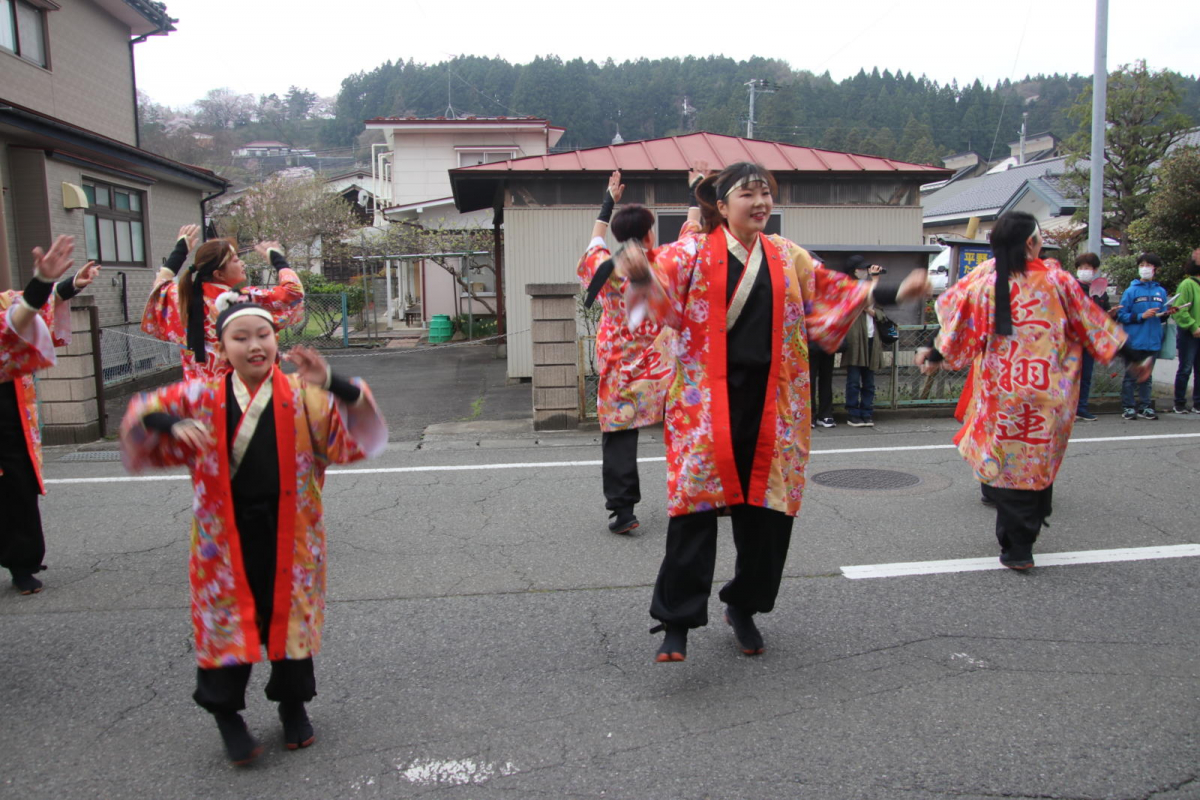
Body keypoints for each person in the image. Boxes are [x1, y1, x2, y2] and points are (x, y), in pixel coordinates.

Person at [616, 162, 927, 661]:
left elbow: (835, 289)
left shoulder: (787, 255)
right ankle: (675, 621)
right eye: (747, 194)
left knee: (769, 516)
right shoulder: (692, 251)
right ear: (721, 205)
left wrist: (889, 291)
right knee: (693, 513)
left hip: (774, 405)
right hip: (707, 406)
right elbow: (653, 292)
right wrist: (637, 272)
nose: (760, 202)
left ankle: (743, 604)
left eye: (765, 193)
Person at [120, 298, 386, 765]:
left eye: (262, 335)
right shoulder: (201, 396)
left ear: (275, 339)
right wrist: (173, 422)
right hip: (223, 538)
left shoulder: (304, 394)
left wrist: (333, 383)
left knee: (291, 619)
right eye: (239, 338)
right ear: (222, 347)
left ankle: (292, 704)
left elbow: (357, 433)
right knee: (225, 625)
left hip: (292, 530)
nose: (254, 345)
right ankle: (227, 716)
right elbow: (142, 410)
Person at [917, 211, 1146, 570]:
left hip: (1003, 392)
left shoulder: (985, 283)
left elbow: (957, 324)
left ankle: (1015, 545)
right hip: (1049, 393)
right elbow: (1093, 323)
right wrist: (1131, 357)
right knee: (1037, 461)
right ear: (1030, 243)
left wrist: (934, 354)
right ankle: (1024, 538)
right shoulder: (1057, 281)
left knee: (1008, 460)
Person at [577, 168, 702, 534]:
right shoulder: (666, 260)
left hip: (620, 367)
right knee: (684, 427)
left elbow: (593, 241)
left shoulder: (604, 265)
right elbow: (693, 235)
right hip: (665, 366)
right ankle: (693, 497)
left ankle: (622, 512)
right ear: (650, 233)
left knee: (618, 434)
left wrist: (608, 202)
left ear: (618, 235)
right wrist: (694, 191)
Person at [1, 236, 98, 595]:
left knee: (18, 489)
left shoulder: (5, 304)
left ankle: (22, 564)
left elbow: (21, 315)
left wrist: (63, 284)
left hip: (8, 418)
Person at [142, 228, 305, 381]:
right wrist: (277, 258)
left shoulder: (182, 298)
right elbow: (293, 292)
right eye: (235, 260)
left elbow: (160, 284)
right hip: (243, 397)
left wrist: (180, 251)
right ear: (218, 274)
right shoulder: (243, 301)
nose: (242, 263)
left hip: (201, 399)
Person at [1116, 253, 1171, 420]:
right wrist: (1141, 316)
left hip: (1153, 340)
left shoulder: (1160, 291)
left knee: (1147, 377)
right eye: (1142, 265)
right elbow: (1122, 315)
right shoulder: (1131, 291)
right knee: (1130, 376)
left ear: (1155, 269)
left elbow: (1161, 315)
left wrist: (1167, 313)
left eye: (1148, 265)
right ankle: (1128, 406)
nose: (1145, 268)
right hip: (1134, 340)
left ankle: (1146, 406)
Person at [841, 255, 890, 427]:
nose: (865, 272)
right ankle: (853, 413)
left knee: (869, 381)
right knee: (854, 380)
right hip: (856, 339)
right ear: (853, 271)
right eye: (862, 269)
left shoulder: (871, 288)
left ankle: (867, 412)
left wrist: (874, 312)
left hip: (872, 337)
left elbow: (882, 312)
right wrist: (875, 279)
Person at [1073, 252, 1111, 421]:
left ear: (1095, 270)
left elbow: (1105, 313)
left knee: (1086, 376)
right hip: (1072, 339)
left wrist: (1110, 314)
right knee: (1070, 375)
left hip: (1091, 340)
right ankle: (1068, 409)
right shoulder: (1071, 287)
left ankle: (1081, 408)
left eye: (1087, 268)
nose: (1083, 271)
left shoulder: (1101, 292)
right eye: (1081, 268)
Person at [1170, 248, 1200, 414]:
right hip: (1189, 334)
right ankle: (1179, 402)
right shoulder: (1187, 284)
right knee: (1186, 368)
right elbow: (1180, 309)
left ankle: (1198, 403)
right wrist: (1193, 326)